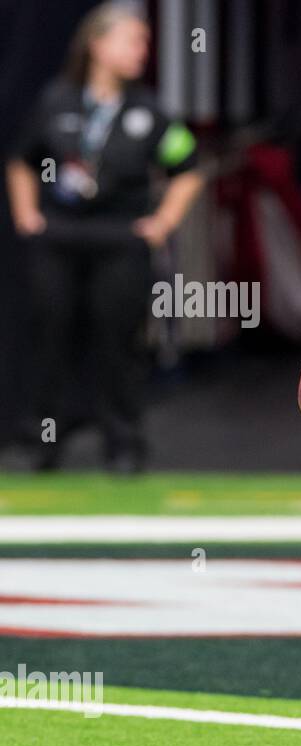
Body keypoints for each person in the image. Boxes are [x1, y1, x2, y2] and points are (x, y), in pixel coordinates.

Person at [5, 1, 203, 473]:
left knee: (118, 341)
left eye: (145, 42)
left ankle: (122, 444)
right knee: (50, 335)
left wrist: (163, 222)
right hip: (61, 236)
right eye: (133, 40)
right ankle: (45, 441)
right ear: (97, 43)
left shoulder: (148, 111)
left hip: (120, 238)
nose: (142, 50)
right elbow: (22, 161)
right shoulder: (57, 100)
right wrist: (26, 214)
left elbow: (189, 168)